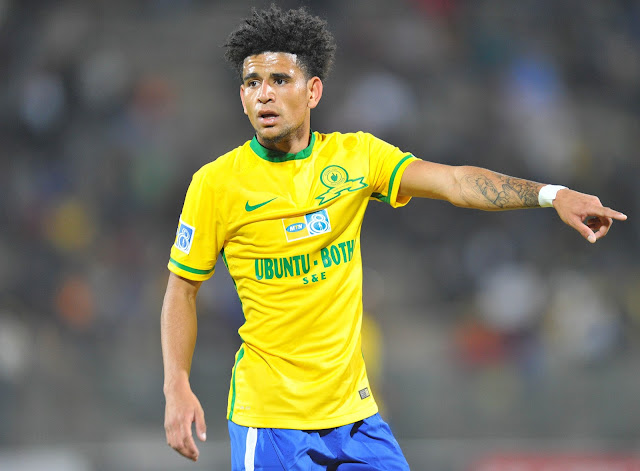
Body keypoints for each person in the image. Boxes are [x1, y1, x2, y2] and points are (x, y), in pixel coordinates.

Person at [161, 5, 626, 470]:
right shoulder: (216, 184)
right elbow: (181, 289)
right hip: (270, 423)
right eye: (252, 82)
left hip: (356, 419)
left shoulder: (357, 157)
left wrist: (553, 194)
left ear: (313, 90)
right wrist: (176, 383)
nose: (264, 94)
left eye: (280, 80)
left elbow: (455, 182)